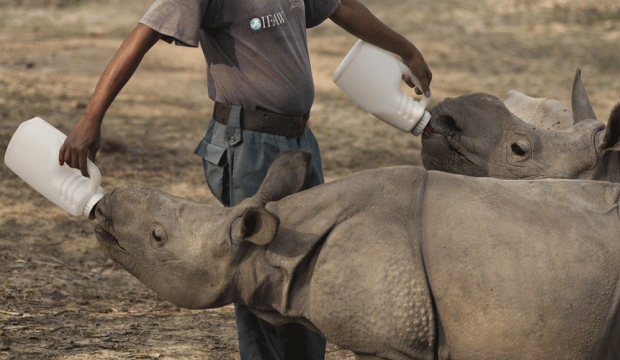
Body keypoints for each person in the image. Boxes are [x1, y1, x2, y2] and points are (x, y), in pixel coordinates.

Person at [59, 0, 432, 359]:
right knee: (257, 273)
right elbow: (143, 34)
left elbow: (341, 7)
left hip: (298, 140)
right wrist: (92, 117)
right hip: (248, 145)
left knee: (304, 266)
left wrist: (407, 50)